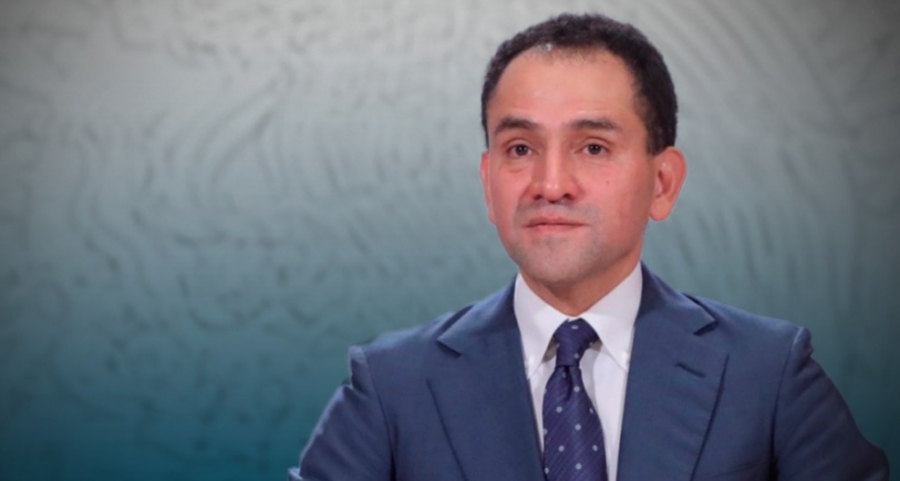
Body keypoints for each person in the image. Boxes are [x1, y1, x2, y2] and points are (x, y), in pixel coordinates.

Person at [289, 13, 889, 481]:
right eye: (520, 149)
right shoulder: (393, 385)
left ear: (663, 183)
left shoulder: (767, 372)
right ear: (488, 183)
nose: (551, 184)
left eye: (593, 148)